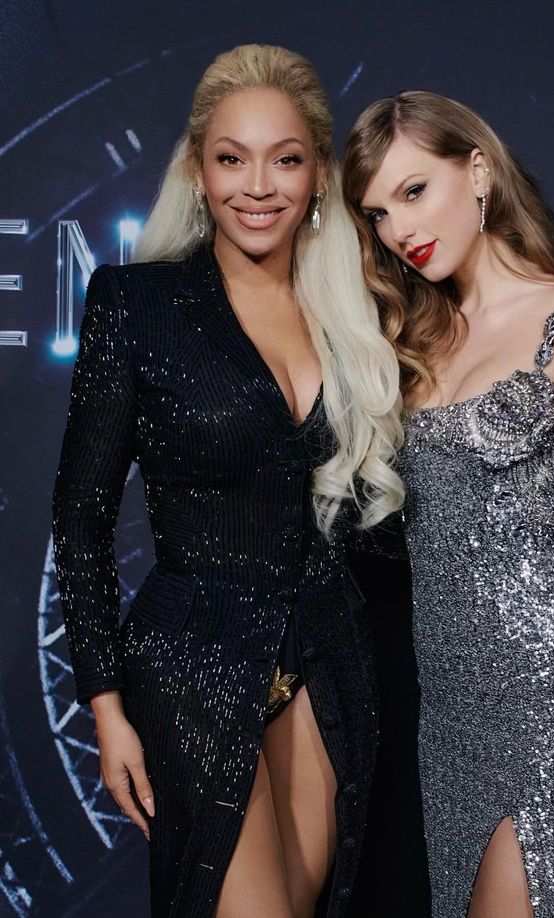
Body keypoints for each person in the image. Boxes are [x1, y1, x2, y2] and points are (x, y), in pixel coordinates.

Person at [51, 44, 405, 918]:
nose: (259, 185)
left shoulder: (358, 315)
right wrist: (104, 705)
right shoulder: (136, 305)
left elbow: (378, 515)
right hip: (191, 671)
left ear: (319, 172)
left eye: (286, 159)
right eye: (231, 158)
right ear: (198, 171)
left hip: (331, 663)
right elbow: (81, 517)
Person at [342, 91, 554, 917]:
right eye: (377, 212)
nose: (399, 229)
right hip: (446, 711)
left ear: (477, 169)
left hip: (553, 689)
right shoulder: (405, 340)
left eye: (415, 190)